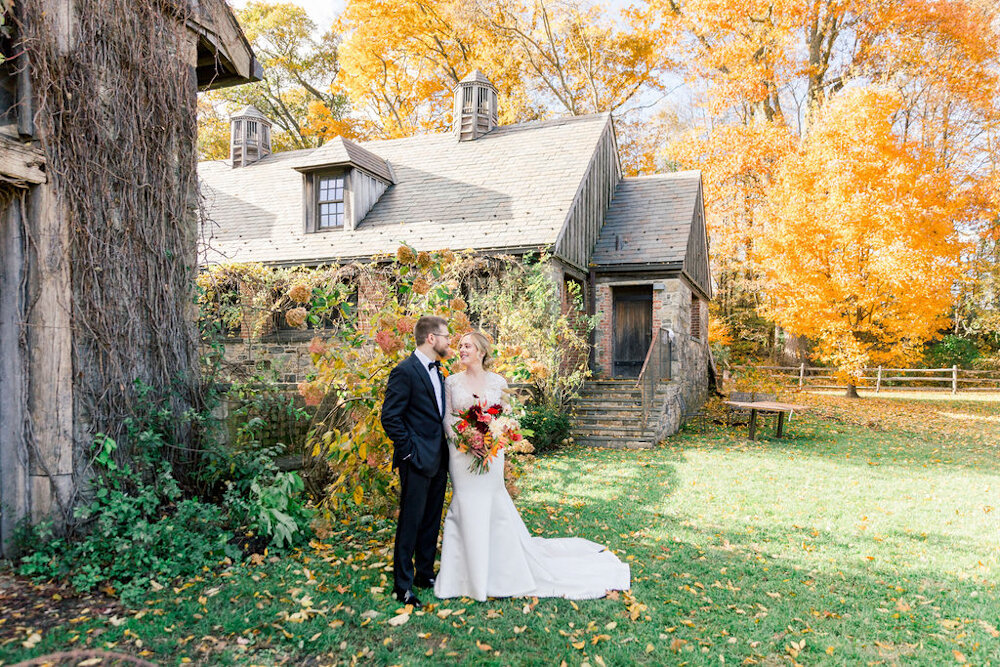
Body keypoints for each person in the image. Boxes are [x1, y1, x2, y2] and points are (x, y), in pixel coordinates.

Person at [434, 331, 631, 602]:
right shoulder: (451, 382)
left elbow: (508, 416)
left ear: (481, 352)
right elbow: (447, 418)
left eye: (467, 346)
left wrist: (492, 439)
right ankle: (461, 575)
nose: (462, 350)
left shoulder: (498, 381)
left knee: (491, 504)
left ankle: (500, 572)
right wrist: (465, 440)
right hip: (462, 455)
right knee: (465, 504)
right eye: (460, 346)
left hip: (491, 455)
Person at [381, 315, 451, 608]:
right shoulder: (405, 371)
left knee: (431, 520)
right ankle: (402, 586)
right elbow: (390, 417)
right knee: (410, 523)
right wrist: (409, 452)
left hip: (439, 459)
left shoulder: (440, 373)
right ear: (431, 338)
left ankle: (425, 573)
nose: (450, 341)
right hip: (416, 460)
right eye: (446, 336)